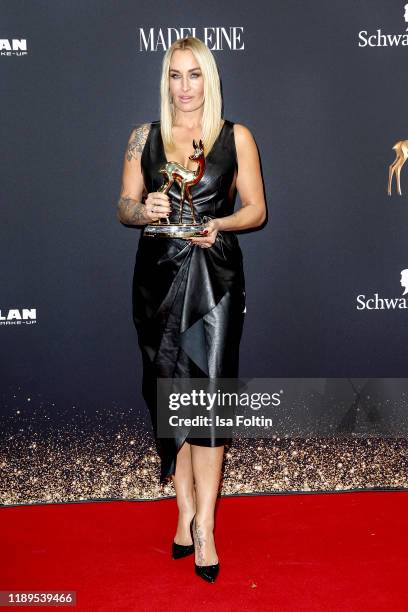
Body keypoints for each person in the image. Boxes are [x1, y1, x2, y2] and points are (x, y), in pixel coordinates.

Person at [117, 36, 266, 583]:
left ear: (210, 78)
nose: (184, 87)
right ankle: (183, 509)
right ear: (166, 80)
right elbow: (123, 205)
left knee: (208, 399)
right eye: (175, 75)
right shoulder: (143, 137)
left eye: (195, 75)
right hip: (156, 280)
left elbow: (255, 210)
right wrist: (143, 208)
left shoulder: (236, 137)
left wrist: (218, 225)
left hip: (214, 279)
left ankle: (205, 525)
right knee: (168, 395)